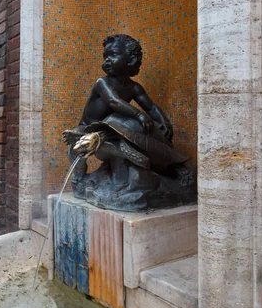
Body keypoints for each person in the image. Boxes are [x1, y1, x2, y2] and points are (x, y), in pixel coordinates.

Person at [63, 34, 195, 210]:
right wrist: (139, 115)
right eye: (105, 57)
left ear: (131, 60)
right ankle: (79, 179)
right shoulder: (102, 82)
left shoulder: (134, 87)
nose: (107, 60)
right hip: (90, 128)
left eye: (113, 55)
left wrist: (164, 122)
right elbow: (114, 102)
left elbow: (151, 107)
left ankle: (174, 165)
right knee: (126, 123)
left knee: (152, 127)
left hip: (115, 129)